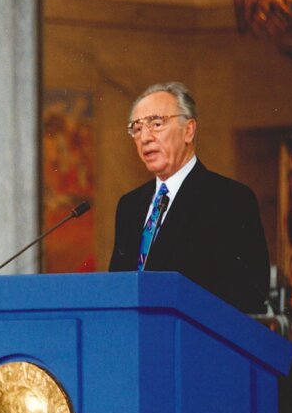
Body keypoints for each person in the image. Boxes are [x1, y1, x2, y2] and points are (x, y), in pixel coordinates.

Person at [108, 82, 269, 314]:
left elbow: (249, 292)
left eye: (156, 124)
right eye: (137, 128)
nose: (145, 137)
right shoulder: (130, 205)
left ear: (189, 130)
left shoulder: (230, 199)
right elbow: (117, 287)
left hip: (195, 342)